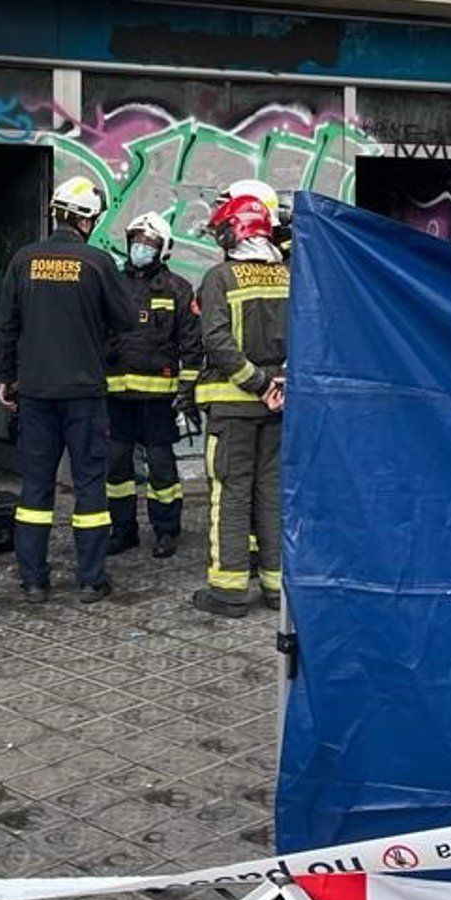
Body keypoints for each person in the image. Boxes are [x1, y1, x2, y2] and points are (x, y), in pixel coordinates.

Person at [0, 175, 134, 605]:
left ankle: (34, 580)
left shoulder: (23, 260)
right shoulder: (97, 263)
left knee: (35, 489)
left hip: (35, 393)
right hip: (85, 395)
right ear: (88, 220)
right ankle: (91, 579)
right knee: (90, 485)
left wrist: (6, 377)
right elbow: (126, 319)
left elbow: (4, 326)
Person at [192, 193, 289, 619]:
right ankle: (275, 588)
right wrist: (278, 386)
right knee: (271, 495)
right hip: (279, 407)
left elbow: (216, 341)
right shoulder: (288, 275)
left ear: (237, 231)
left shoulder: (220, 277)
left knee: (231, 496)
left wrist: (256, 382)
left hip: (234, 408)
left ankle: (228, 591)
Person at [105, 211, 202, 559]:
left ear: (163, 250)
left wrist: (187, 396)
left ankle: (165, 530)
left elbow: (192, 346)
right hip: (116, 397)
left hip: (160, 401)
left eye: (149, 243)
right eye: (137, 241)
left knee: (162, 468)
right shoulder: (112, 283)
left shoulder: (178, 289)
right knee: (116, 467)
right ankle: (122, 530)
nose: (140, 248)